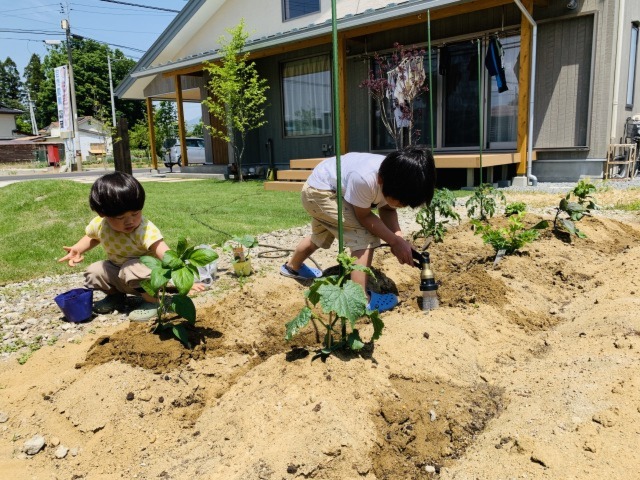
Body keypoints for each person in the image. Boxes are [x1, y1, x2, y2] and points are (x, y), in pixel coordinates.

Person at [280, 146, 436, 312]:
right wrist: (393, 241)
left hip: (326, 187)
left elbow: (388, 209)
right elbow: (364, 217)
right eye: (399, 201)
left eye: (405, 204)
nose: (401, 205)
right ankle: (360, 300)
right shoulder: (365, 179)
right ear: (381, 181)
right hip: (321, 192)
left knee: (321, 235)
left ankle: (292, 267)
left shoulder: (394, 175)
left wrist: (399, 239)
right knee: (365, 235)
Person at [58, 172, 203, 321]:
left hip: (148, 277)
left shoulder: (145, 230)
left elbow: (165, 253)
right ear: (103, 214)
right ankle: (116, 297)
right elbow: (92, 237)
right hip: (120, 274)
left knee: (131, 267)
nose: (130, 221)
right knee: (94, 271)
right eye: (120, 217)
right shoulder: (100, 224)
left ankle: (154, 302)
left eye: (136, 213)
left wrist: (183, 281)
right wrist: (77, 249)